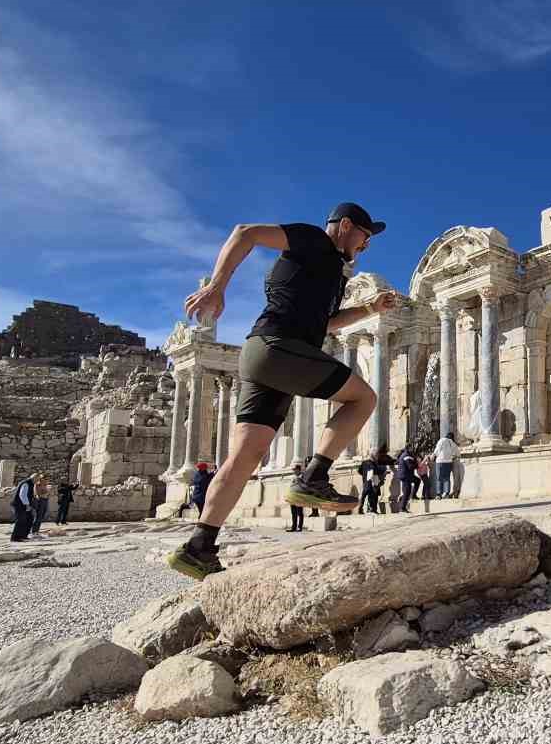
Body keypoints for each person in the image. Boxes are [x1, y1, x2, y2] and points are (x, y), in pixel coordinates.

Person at [165, 203, 397, 581]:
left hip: (264, 357)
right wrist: (216, 286)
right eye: (365, 236)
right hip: (278, 349)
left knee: (244, 457)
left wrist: (370, 308)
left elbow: (327, 323)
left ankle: (199, 546)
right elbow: (245, 232)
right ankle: (313, 477)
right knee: (363, 398)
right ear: (346, 226)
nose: (366, 245)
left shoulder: (329, 274)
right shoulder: (313, 240)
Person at [10, 473, 38, 542]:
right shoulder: (26, 483)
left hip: (25, 505)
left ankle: (24, 535)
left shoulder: (31, 484)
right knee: (20, 521)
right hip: (20, 505)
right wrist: (27, 505)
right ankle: (15, 538)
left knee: (29, 519)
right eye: (37, 479)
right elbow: (22, 495)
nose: (37, 481)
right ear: (34, 478)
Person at [433, 433, 459, 498]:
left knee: (439, 478)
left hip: (440, 461)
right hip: (449, 462)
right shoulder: (453, 443)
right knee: (447, 478)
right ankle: (447, 493)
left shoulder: (442, 440)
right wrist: (452, 457)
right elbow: (457, 453)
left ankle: (439, 494)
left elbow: (437, 450)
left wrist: (433, 455)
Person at [395, 446, 419, 513]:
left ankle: (413, 495)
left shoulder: (408, 455)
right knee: (407, 491)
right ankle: (402, 508)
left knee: (417, 480)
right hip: (405, 476)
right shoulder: (406, 456)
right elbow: (410, 466)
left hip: (408, 475)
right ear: (408, 448)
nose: (413, 449)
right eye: (412, 448)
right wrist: (416, 464)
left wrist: (415, 461)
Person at [286, 461, 306, 531]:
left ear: (298, 470)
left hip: (299, 496)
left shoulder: (302, 476)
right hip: (293, 496)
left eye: (295, 470)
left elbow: (304, 486)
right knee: (293, 512)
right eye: (294, 470)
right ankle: (293, 527)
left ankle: (299, 527)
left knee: (299, 512)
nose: (294, 471)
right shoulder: (293, 477)